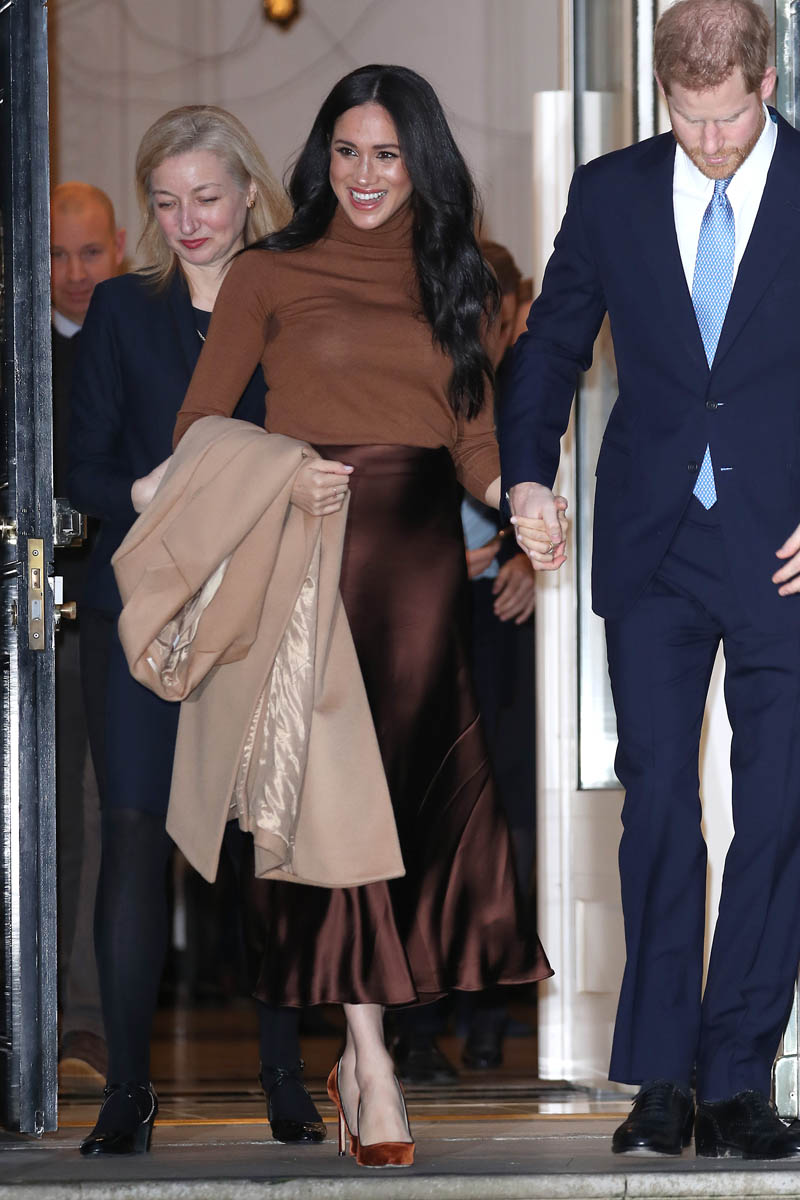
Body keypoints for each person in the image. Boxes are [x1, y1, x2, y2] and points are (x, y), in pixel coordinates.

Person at [166, 64, 551, 1169]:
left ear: (420, 161)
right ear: (321, 158)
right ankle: (370, 1059)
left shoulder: (457, 276)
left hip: (422, 575)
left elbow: (471, 439)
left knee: (413, 812)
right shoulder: (268, 273)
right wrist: (283, 471)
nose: (364, 174)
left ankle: (367, 1049)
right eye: (346, 151)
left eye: (386, 153)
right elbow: (200, 427)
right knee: (336, 813)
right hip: (309, 561)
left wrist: (522, 499)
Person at [502, 0, 800, 1161]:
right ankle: (663, 1078)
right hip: (653, 544)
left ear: (765, 80)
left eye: (728, 118)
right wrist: (527, 477)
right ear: (659, 93)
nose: (709, 143)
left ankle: (737, 1081)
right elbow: (549, 344)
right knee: (659, 808)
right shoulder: (610, 192)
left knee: (774, 813)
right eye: (687, 118)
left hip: (782, 553)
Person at [68, 106, 327, 1156]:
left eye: (206, 198)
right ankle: (129, 1091)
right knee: (133, 835)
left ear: (248, 193)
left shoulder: (294, 301)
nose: (186, 220)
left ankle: (284, 1077)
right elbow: (79, 466)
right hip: (142, 606)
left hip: (259, 600)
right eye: (166, 202)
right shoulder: (122, 311)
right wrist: (147, 491)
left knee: (263, 839)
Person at [50, 182, 126, 1087]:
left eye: (90, 253)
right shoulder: (19, 355)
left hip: (115, 610)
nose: (74, 273)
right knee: (47, 818)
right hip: (33, 618)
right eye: (57, 254)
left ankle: (89, 1023)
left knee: (109, 818)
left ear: (120, 247)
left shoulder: (134, 336)